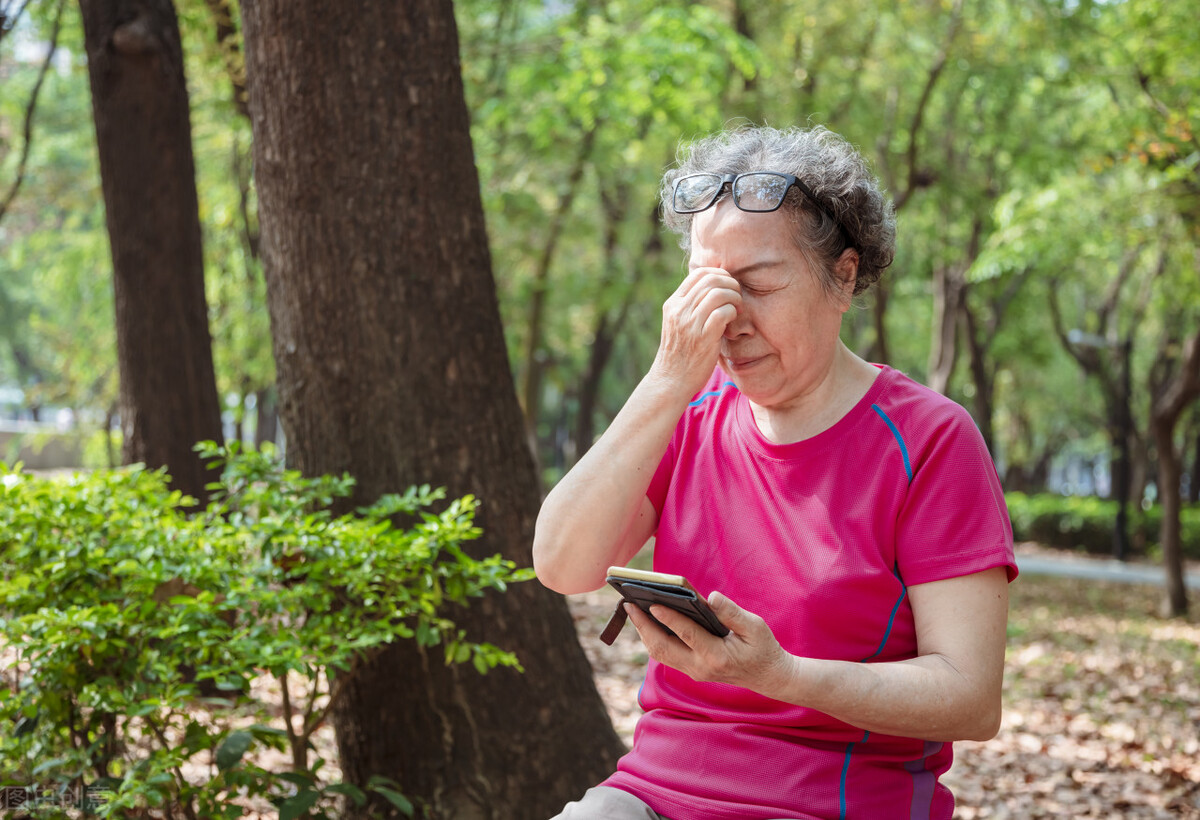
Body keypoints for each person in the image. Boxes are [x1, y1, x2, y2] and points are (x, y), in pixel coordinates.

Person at [533, 124, 1017, 820]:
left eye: (757, 285)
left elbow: (970, 698)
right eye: (709, 288)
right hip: (649, 796)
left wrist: (782, 676)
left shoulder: (930, 439)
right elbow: (561, 564)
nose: (728, 320)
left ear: (843, 277)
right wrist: (669, 379)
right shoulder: (685, 415)